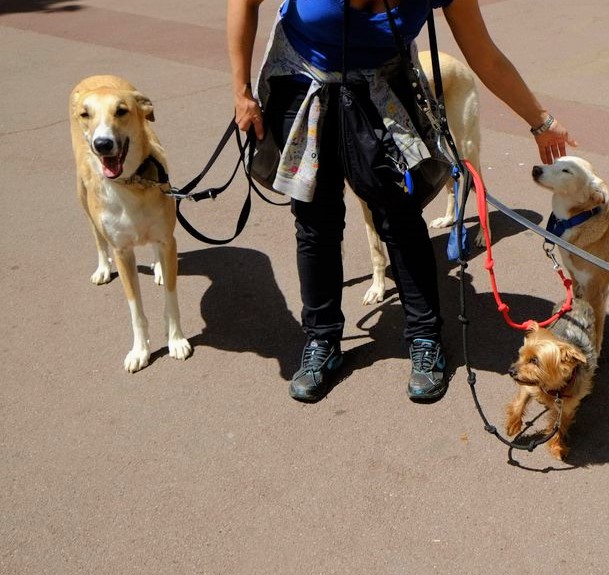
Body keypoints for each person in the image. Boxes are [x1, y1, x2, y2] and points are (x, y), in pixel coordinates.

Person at [228, 0, 576, 403]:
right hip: (304, 76)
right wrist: (241, 91)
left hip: (384, 84)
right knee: (315, 219)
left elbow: (484, 54)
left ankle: (425, 339)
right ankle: (321, 341)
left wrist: (541, 122)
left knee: (400, 214)